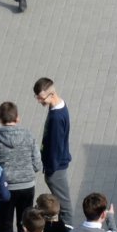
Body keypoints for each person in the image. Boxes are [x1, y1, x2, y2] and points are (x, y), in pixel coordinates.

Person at [0, 101, 41, 232]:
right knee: (24, 222)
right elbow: (37, 162)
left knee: (5, 224)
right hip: (27, 186)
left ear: (0, 119)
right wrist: (30, 171)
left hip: (5, 188)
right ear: (18, 118)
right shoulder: (29, 136)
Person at [34, 77, 73, 218]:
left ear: (52, 94)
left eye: (41, 98)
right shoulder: (58, 105)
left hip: (56, 167)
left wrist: (49, 169)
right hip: (57, 163)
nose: (39, 101)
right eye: (37, 97)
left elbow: (55, 147)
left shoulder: (56, 117)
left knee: (65, 207)